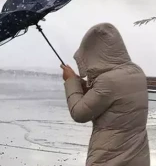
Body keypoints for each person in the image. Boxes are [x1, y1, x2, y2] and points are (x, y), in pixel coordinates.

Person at [60, 22, 150, 166]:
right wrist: (79, 83)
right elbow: (109, 98)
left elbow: (79, 113)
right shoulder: (136, 71)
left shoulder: (108, 80)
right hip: (137, 157)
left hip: (110, 158)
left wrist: (71, 81)